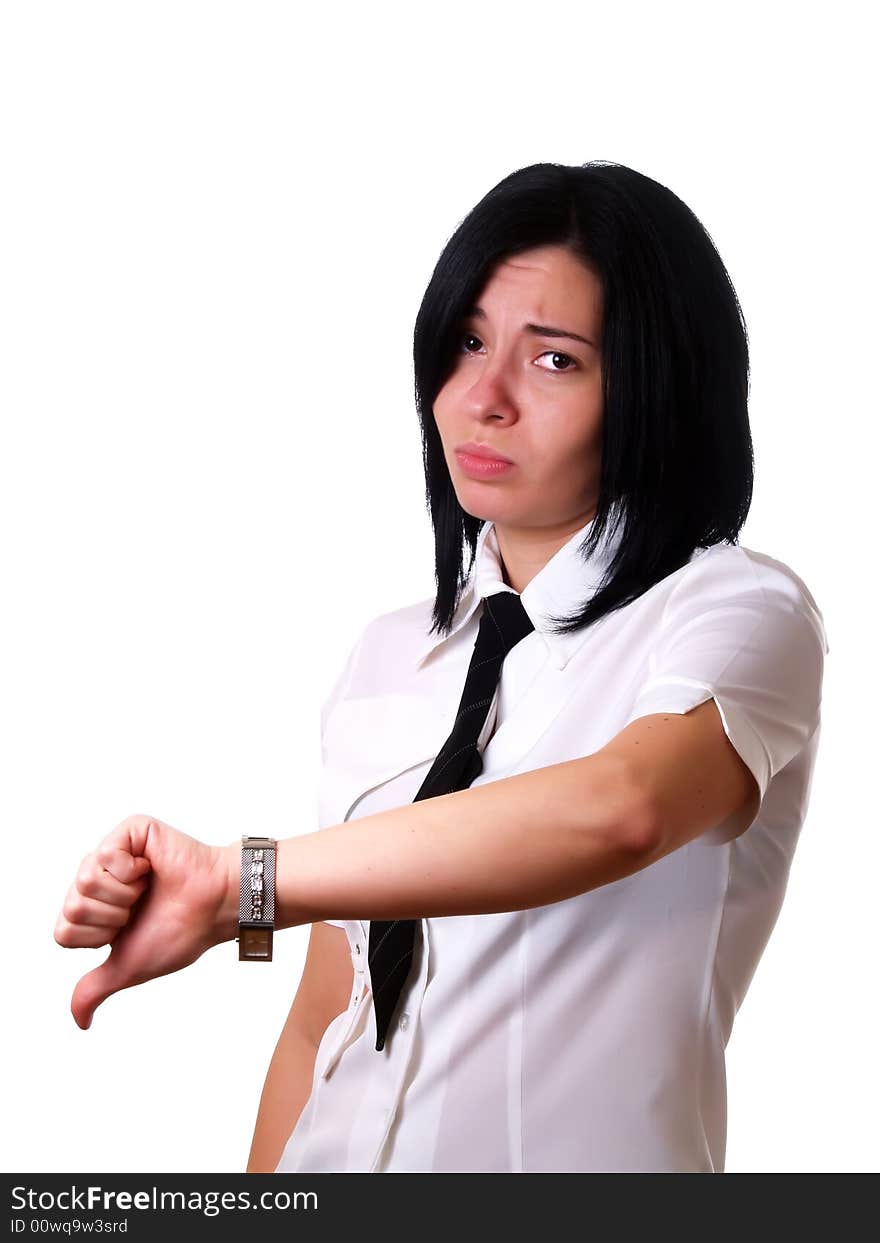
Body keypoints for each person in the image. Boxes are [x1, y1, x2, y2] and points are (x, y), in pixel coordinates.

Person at [55, 160, 828, 1174]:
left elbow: (619, 809)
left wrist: (238, 882)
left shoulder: (735, 611)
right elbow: (324, 1015)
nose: (481, 398)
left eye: (554, 361)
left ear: (655, 386)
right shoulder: (389, 651)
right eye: (465, 343)